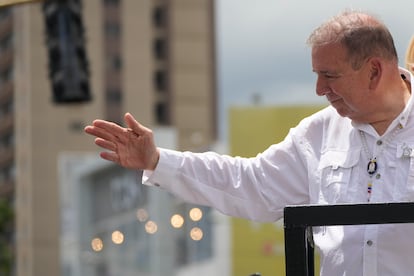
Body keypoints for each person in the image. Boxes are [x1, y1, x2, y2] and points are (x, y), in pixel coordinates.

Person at [84, 10, 413, 276]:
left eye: (329, 75)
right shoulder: (318, 134)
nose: (318, 89)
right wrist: (157, 160)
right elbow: (248, 182)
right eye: (316, 75)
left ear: (373, 72)